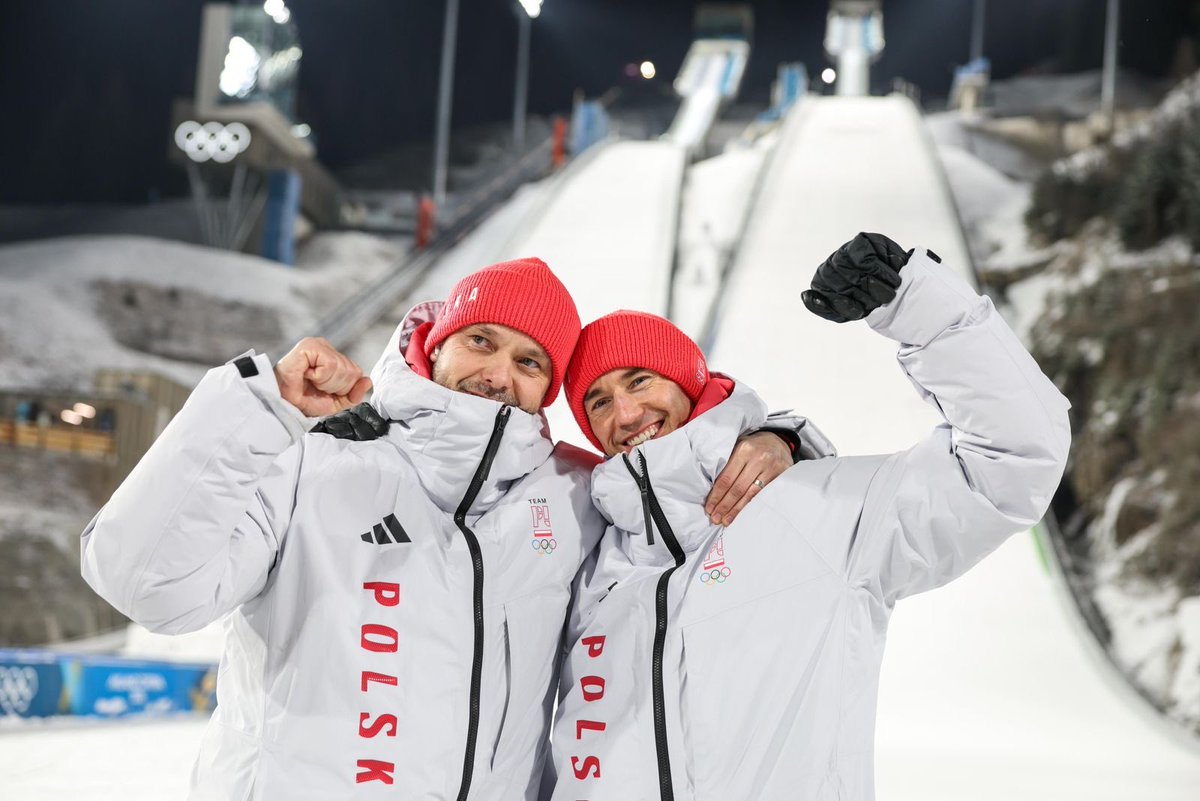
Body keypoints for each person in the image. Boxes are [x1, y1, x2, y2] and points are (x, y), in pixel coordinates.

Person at [80, 257, 794, 800]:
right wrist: (253, 407)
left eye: (529, 361)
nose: (496, 373)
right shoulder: (315, 460)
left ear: (549, 389)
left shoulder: (579, 493)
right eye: (480, 341)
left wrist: (783, 439)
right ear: (438, 343)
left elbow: (685, 503)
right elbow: (150, 586)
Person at [543, 233, 1072, 801]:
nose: (625, 412)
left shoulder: (819, 513)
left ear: (688, 381)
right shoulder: (591, 558)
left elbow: (1011, 463)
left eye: (639, 380)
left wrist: (921, 307)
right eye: (597, 401)